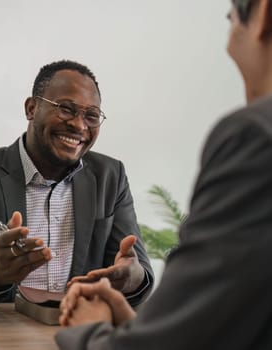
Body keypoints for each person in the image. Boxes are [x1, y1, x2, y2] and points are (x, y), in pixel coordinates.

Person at [56, 0, 272, 349]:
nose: (79, 125)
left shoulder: (255, 137)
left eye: (230, 14)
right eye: (66, 109)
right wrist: (133, 322)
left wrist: (88, 329)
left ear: (262, 13)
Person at [0, 60, 154, 306]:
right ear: (32, 108)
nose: (78, 125)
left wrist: (132, 278)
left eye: (91, 116)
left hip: (77, 332)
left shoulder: (110, 176)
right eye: (66, 109)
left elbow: (135, 271)